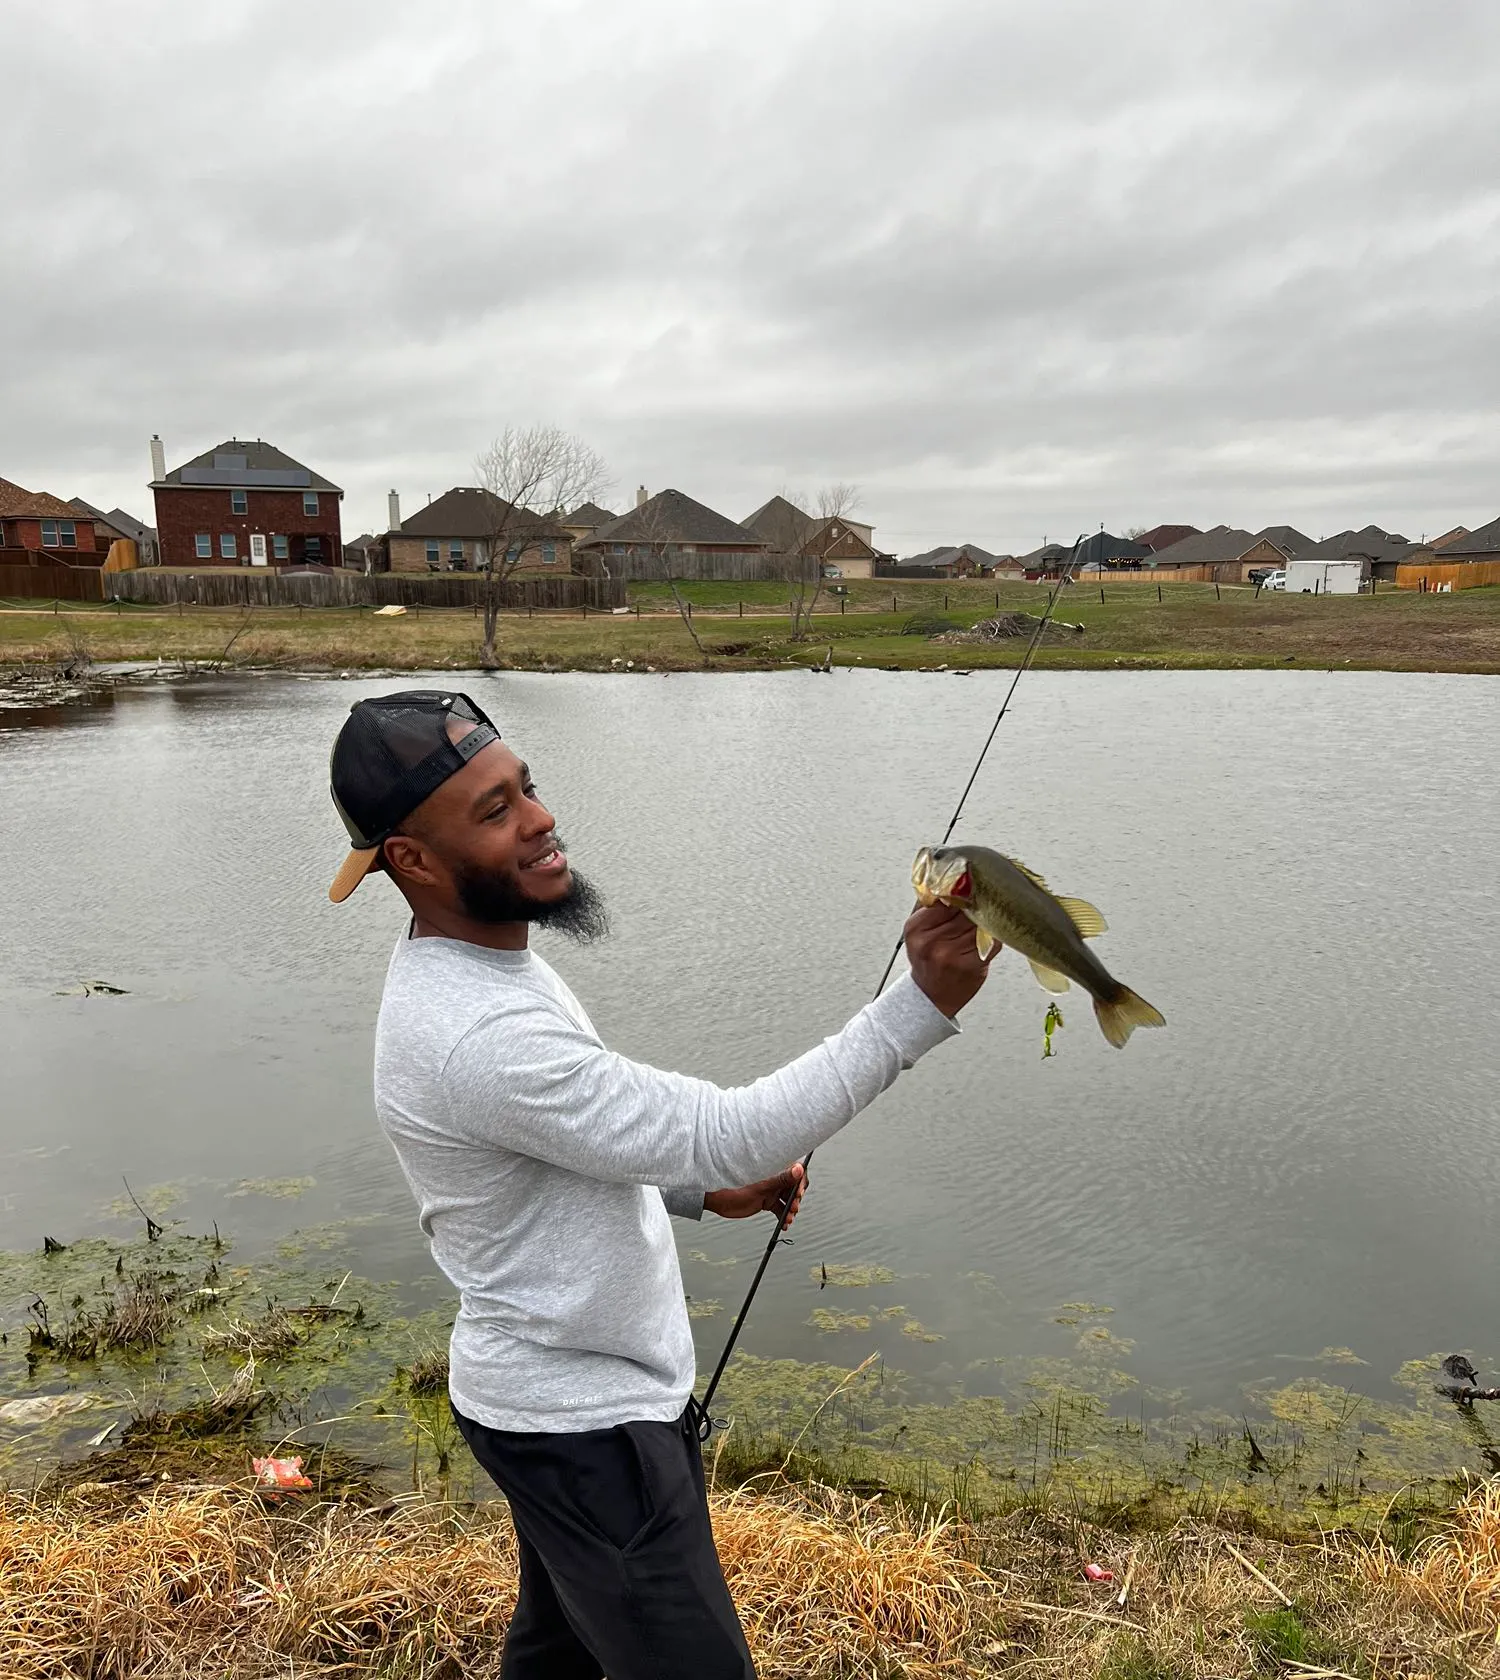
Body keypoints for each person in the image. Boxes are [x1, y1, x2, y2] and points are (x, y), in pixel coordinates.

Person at [327, 689, 994, 1680]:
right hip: (585, 1436)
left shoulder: (477, 962)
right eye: (493, 811)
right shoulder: (477, 1031)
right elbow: (724, 1133)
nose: (540, 818)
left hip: (548, 1411)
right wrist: (918, 1007)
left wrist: (690, 1193)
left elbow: (565, 1141)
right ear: (412, 861)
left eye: (527, 789)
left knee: (557, 1654)